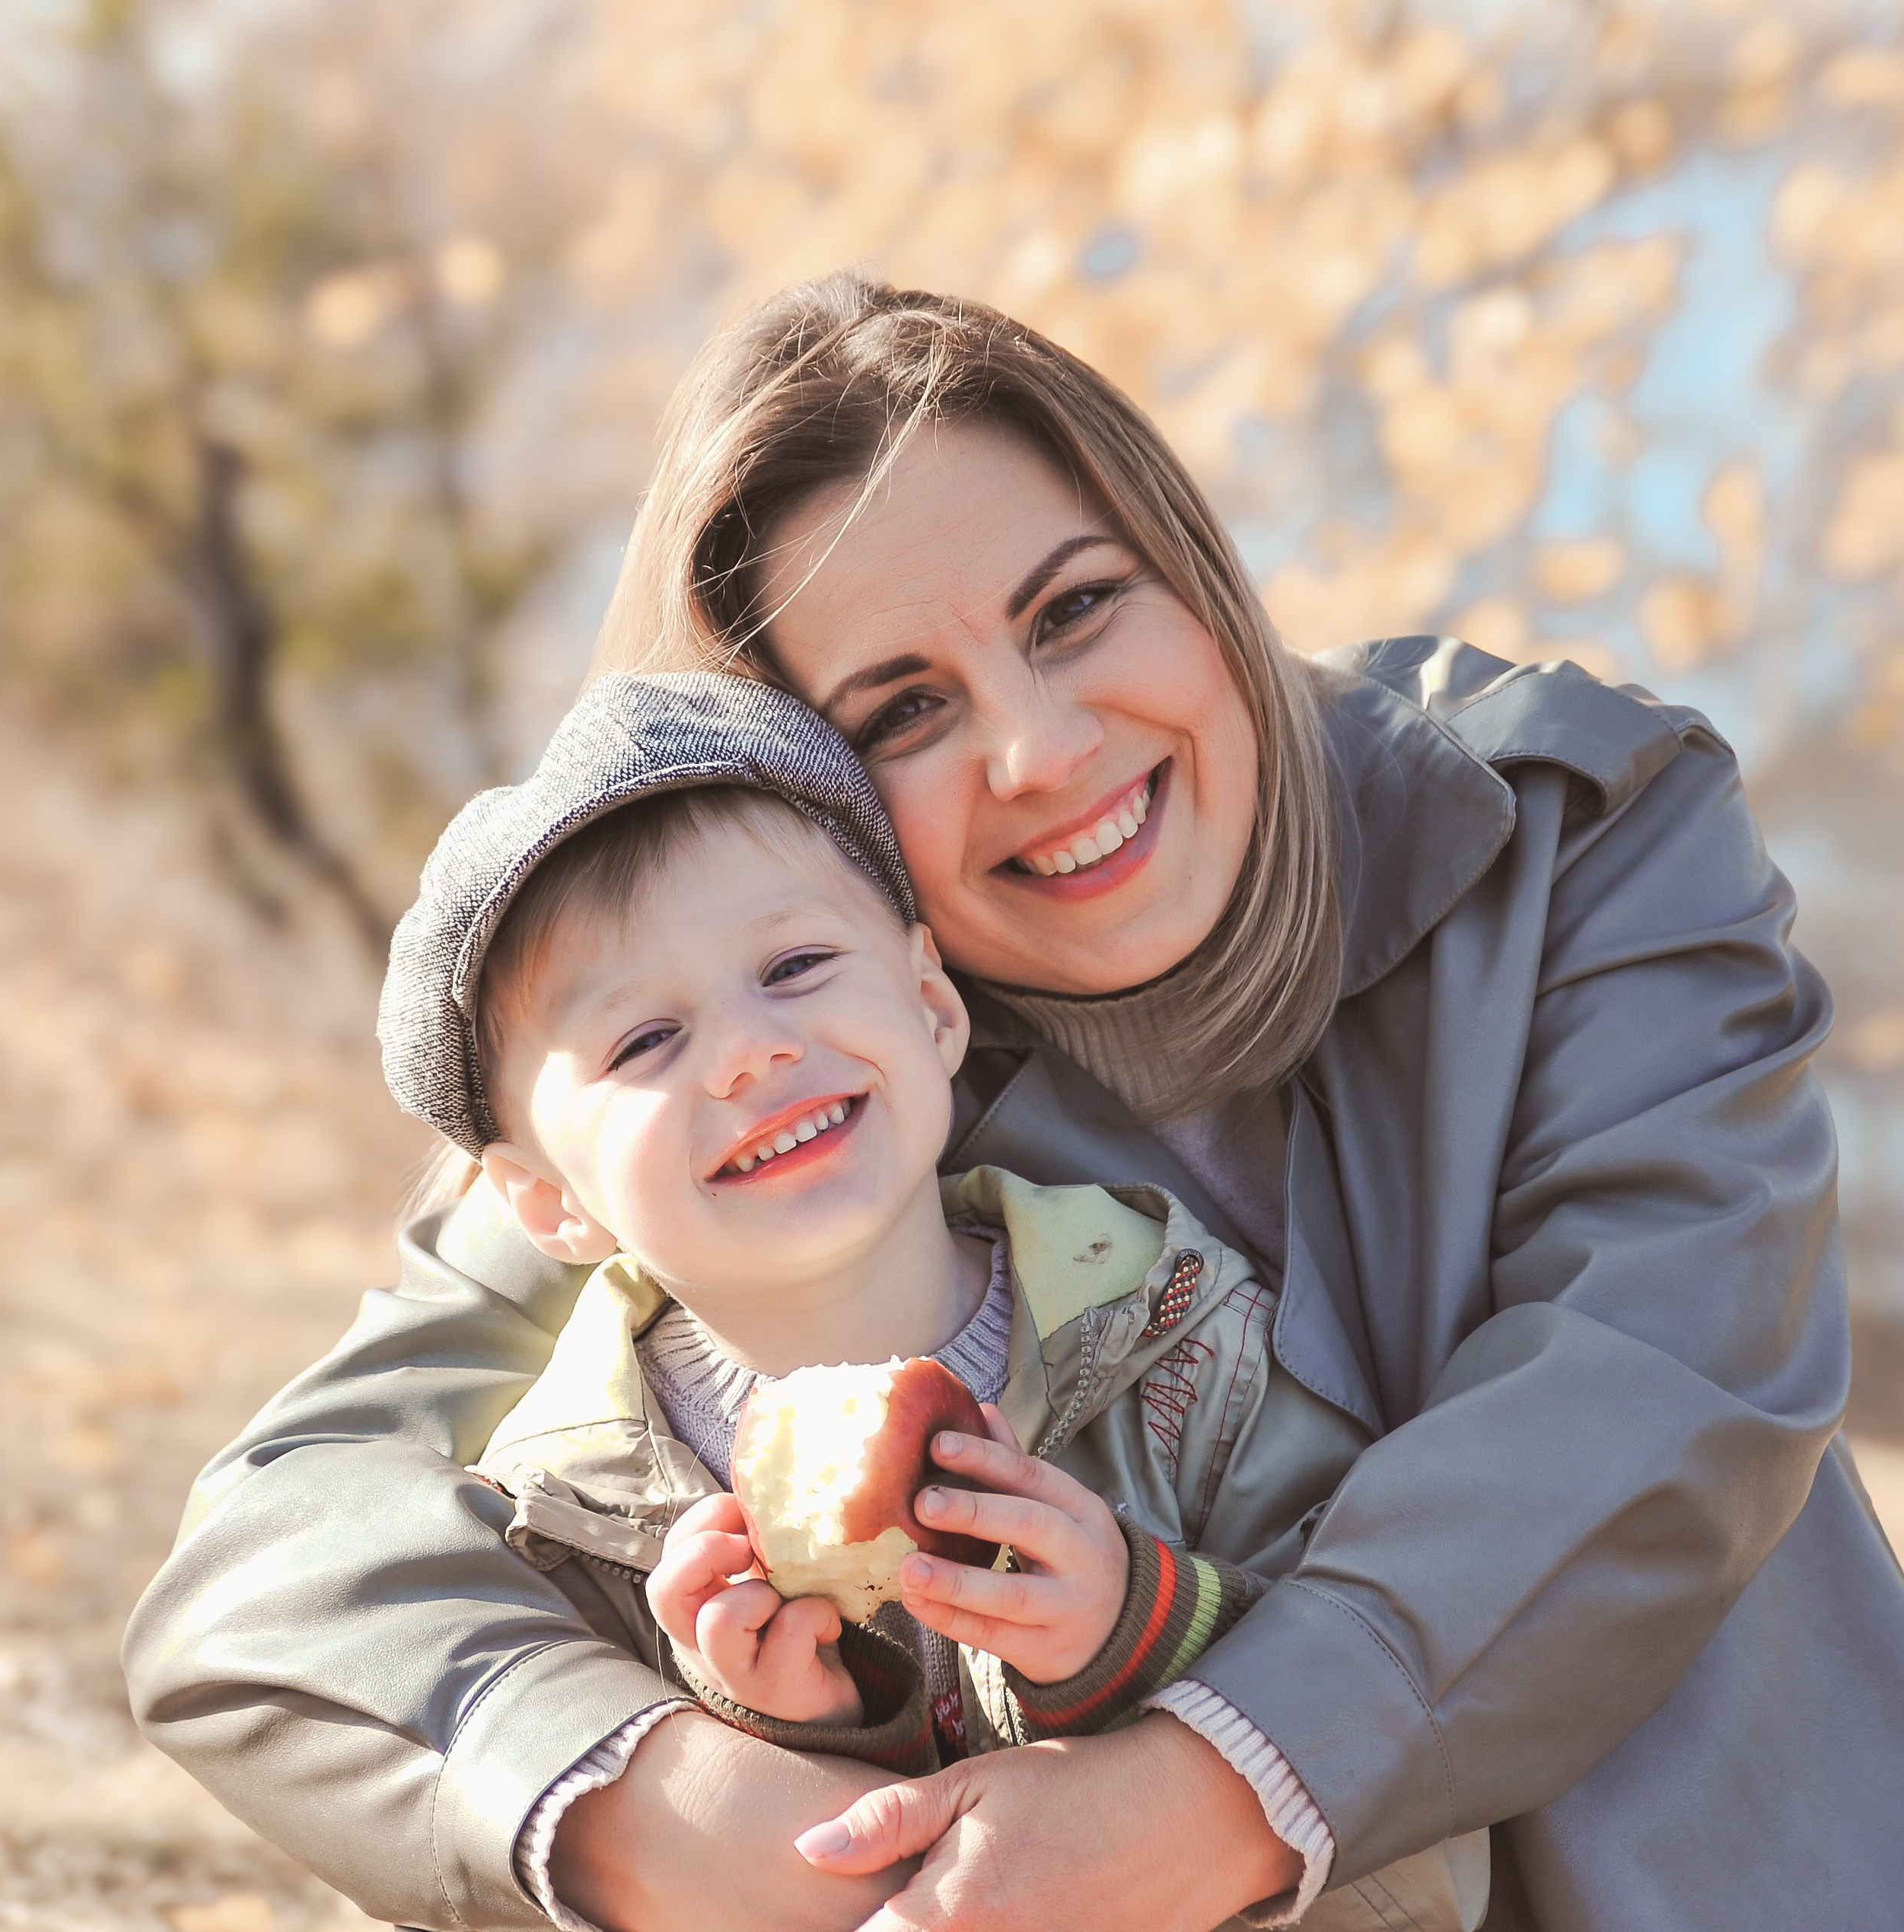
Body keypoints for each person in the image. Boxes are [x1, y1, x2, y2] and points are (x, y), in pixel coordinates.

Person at [123, 273, 1904, 1932]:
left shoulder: (1576, 830)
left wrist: (1213, 1784)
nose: (1039, 752)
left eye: (1074, 609)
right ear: (795, 798)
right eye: (903, 710)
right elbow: (283, 1554)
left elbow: (1664, 1376)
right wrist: (690, 1806)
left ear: (1192, 567)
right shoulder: (802, 1067)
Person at [371, 667, 1484, 1929]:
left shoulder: (1181, 1335)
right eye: (643, 1042)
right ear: (547, 1204)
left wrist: (1137, 1627)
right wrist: (784, 1726)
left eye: (794, 964)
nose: (751, 1048)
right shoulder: (570, 1517)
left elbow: (1397, 1741)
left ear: (932, 1005)